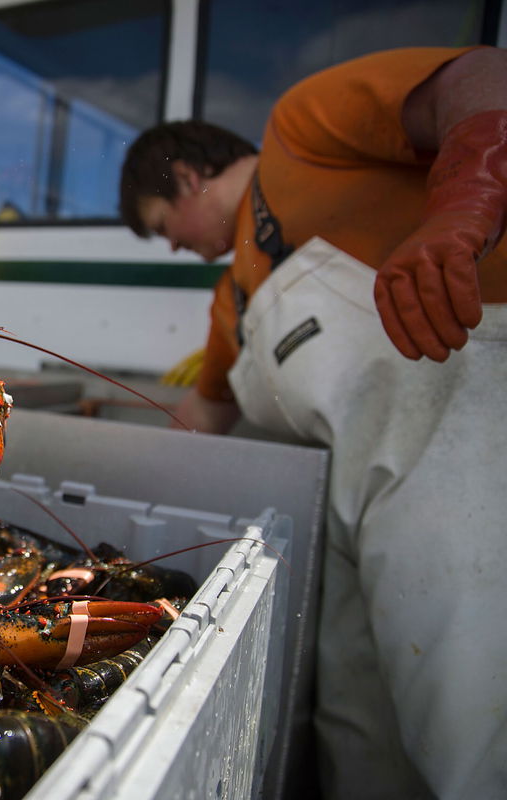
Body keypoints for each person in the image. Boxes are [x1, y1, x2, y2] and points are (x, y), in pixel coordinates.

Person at [119, 47, 507, 799]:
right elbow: (202, 414)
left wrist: (466, 206)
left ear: (190, 177)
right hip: (359, 528)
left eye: (162, 222)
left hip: (470, 467)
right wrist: (103, 432)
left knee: (475, 733)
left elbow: (482, 75)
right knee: (358, 737)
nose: (170, 245)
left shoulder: (302, 129)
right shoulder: (231, 299)